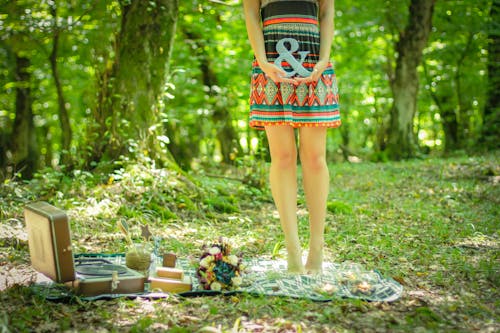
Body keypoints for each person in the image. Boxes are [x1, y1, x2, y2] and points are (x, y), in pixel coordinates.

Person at [243, 0, 340, 273]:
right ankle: (293, 250)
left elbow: (327, 10)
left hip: (314, 65)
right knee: (283, 158)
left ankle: (317, 249)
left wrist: (323, 58)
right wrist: (262, 61)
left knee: (315, 158)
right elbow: (250, 11)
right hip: (272, 66)